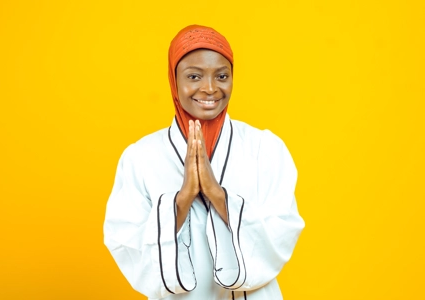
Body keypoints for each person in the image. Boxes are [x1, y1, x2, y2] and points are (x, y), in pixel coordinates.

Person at [103, 24, 305, 300]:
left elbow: (282, 232)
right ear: (174, 81)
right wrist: (181, 200)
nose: (210, 89)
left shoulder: (266, 149)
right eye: (194, 76)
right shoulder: (140, 157)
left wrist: (218, 195)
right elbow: (124, 241)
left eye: (222, 76)